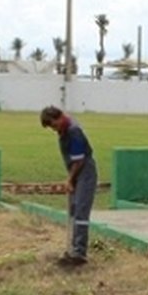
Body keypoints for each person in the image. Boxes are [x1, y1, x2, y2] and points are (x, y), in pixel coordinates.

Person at [40, 105, 98, 266]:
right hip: (76, 171)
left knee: (81, 211)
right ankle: (72, 248)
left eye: (53, 125)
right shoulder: (64, 129)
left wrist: (70, 180)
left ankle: (79, 253)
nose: (53, 129)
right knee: (73, 209)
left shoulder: (73, 131)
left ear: (59, 117)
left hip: (84, 172)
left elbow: (79, 160)